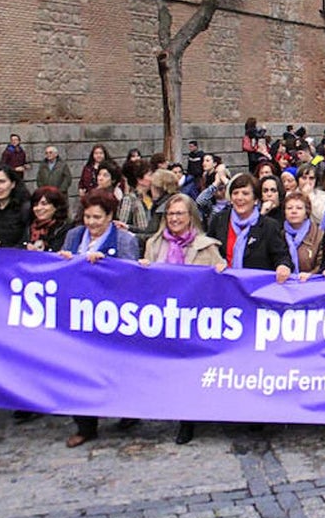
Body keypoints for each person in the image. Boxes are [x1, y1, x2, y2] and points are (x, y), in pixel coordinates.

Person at [58, 188, 141, 448]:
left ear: (110, 216)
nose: (92, 223)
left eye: (97, 217)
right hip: (79, 314)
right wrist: (63, 260)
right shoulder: (73, 237)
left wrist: (107, 267)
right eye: (88, 217)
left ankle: (128, 411)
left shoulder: (125, 239)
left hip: (112, 314)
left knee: (115, 367)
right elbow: (59, 270)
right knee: (79, 370)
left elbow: (132, 275)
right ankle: (85, 425)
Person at [142, 193, 225, 445]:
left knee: (188, 369)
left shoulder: (206, 246)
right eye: (170, 214)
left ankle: (186, 420)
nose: (174, 218)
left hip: (194, 317)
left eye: (180, 213)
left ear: (191, 217)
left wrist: (222, 270)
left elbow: (221, 279)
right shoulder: (154, 245)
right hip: (164, 315)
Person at [206, 173, 293, 280]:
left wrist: (283, 266)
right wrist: (214, 262)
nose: (239, 198)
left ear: (256, 199)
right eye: (235, 193)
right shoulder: (219, 220)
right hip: (224, 285)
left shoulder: (269, 226)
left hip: (256, 288)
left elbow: (282, 257)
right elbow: (208, 251)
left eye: (245, 193)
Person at [281, 191, 324, 278]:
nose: (294, 211)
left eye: (299, 208)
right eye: (289, 208)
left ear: (306, 212)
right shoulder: (279, 235)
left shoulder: (319, 235)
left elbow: (322, 265)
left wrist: (310, 275)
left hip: (311, 285)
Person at [23, 186, 73, 253]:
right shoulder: (28, 226)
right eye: (35, 204)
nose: (38, 208)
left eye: (44, 204)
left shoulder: (64, 229)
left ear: (56, 207)